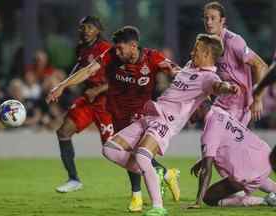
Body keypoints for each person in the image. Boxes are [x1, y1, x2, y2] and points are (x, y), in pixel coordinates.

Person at [102, 34, 239, 216]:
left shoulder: (208, 77)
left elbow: (217, 85)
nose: (191, 52)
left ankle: (158, 207)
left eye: (196, 50)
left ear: (207, 54)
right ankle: (159, 174)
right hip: (152, 113)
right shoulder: (191, 67)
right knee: (110, 149)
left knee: (143, 158)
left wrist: (228, 87)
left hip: (166, 122)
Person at [47, 25, 180, 212]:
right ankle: (164, 174)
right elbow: (87, 71)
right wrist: (62, 85)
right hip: (116, 113)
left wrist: (193, 84)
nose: (116, 51)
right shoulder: (111, 55)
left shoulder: (152, 58)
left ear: (133, 46)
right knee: (124, 155)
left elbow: (176, 72)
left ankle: (140, 197)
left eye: (120, 48)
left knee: (135, 153)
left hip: (142, 117)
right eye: (115, 48)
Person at [53, 16, 113, 193]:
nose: (85, 30)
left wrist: (98, 89)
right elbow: (78, 71)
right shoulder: (81, 49)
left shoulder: (107, 49)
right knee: (63, 132)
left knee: (115, 150)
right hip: (88, 100)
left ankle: (156, 170)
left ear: (98, 30)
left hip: (107, 102)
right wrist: (61, 86)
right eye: (82, 27)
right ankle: (73, 179)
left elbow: (120, 79)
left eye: (89, 27)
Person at [189, 101, 276, 208]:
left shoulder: (209, 133)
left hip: (249, 171)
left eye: (190, 109)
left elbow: (206, 170)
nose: (186, 114)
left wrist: (198, 202)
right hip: (265, 156)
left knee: (208, 197)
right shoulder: (220, 113)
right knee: (254, 171)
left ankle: (265, 201)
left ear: (201, 106)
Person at [203, 1, 268, 125]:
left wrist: (258, 99)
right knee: (209, 139)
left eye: (213, 18)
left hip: (239, 107)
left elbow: (261, 65)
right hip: (222, 102)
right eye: (206, 18)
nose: (208, 22)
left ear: (222, 21)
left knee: (219, 141)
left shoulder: (234, 41)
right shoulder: (208, 44)